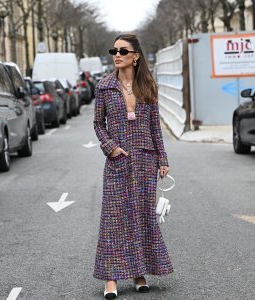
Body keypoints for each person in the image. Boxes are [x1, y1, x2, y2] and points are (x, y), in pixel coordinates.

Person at [93, 34, 173, 299]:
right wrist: (111, 147)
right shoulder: (104, 86)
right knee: (114, 219)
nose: (116, 54)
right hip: (118, 161)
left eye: (123, 50)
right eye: (113, 50)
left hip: (145, 160)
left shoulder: (148, 85)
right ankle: (111, 279)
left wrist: (162, 158)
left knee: (141, 217)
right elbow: (98, 124)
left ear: (135, 56)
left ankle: (139, 274)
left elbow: (154, 127)